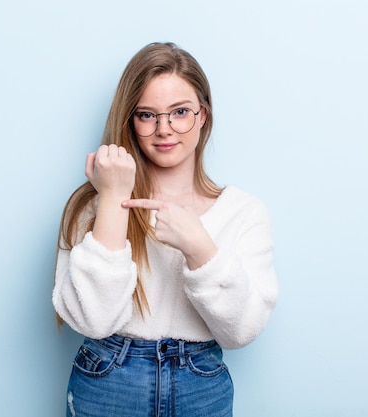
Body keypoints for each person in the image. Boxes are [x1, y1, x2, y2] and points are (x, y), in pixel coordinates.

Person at [52, 41, 278, 417]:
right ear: (130, 120)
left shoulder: (243, 212)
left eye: (180, 112)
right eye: (147, 115)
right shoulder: (92, 204)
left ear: (202, 115)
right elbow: (93, 321)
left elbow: (241, 333)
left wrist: (200, 248)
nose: (164, 129)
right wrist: (112, 200)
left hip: (200, 382)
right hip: (109, 377)